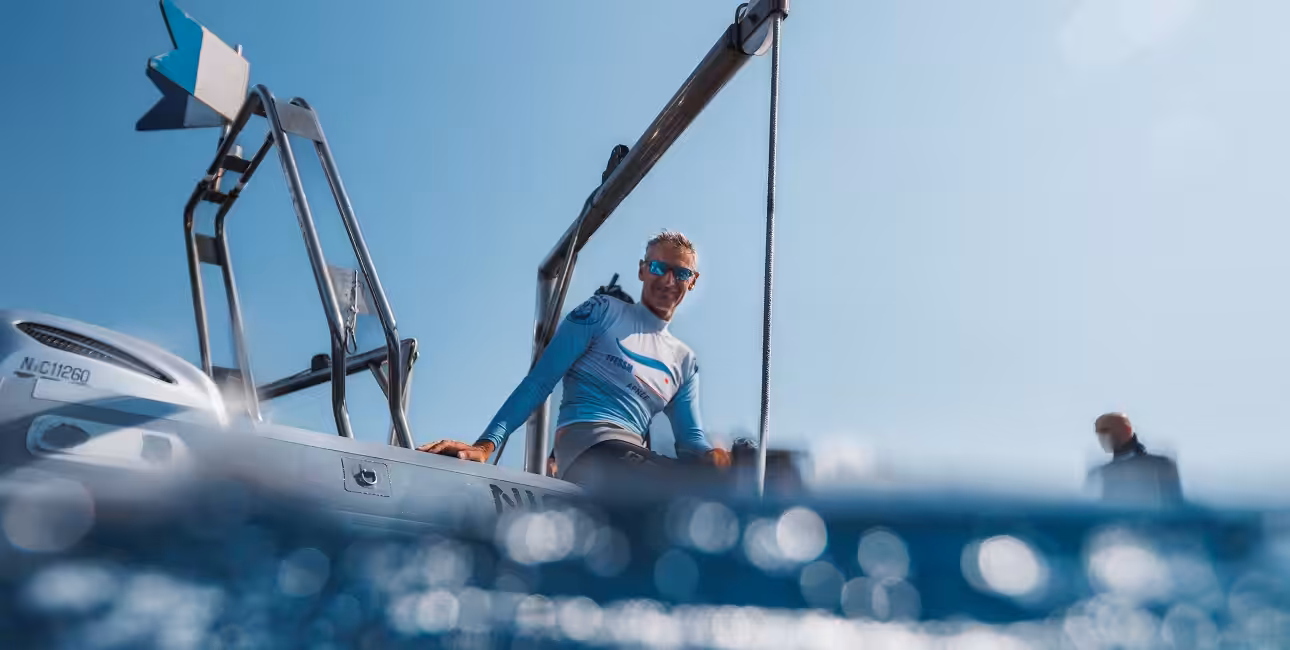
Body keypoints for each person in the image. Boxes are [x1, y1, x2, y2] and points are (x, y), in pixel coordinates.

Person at [418, 231, 729, 487]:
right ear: (642, 269)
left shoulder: (685, 361)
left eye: (682, 273)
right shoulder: (601, 311)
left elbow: (691, 441)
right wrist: (486, 445)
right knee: (682, 490)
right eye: (660, 268)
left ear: (693, 280)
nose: (669, 281)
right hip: (588, 449)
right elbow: (539, 382)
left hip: (633, 457)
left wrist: (717, 458)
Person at [1087, 412, 1184, 507]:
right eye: (1100, 434)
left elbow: (1176, 504)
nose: (1101, 439)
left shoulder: (1161, 465)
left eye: (1106, 432)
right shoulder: (1101, 472)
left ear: (1126, 431)